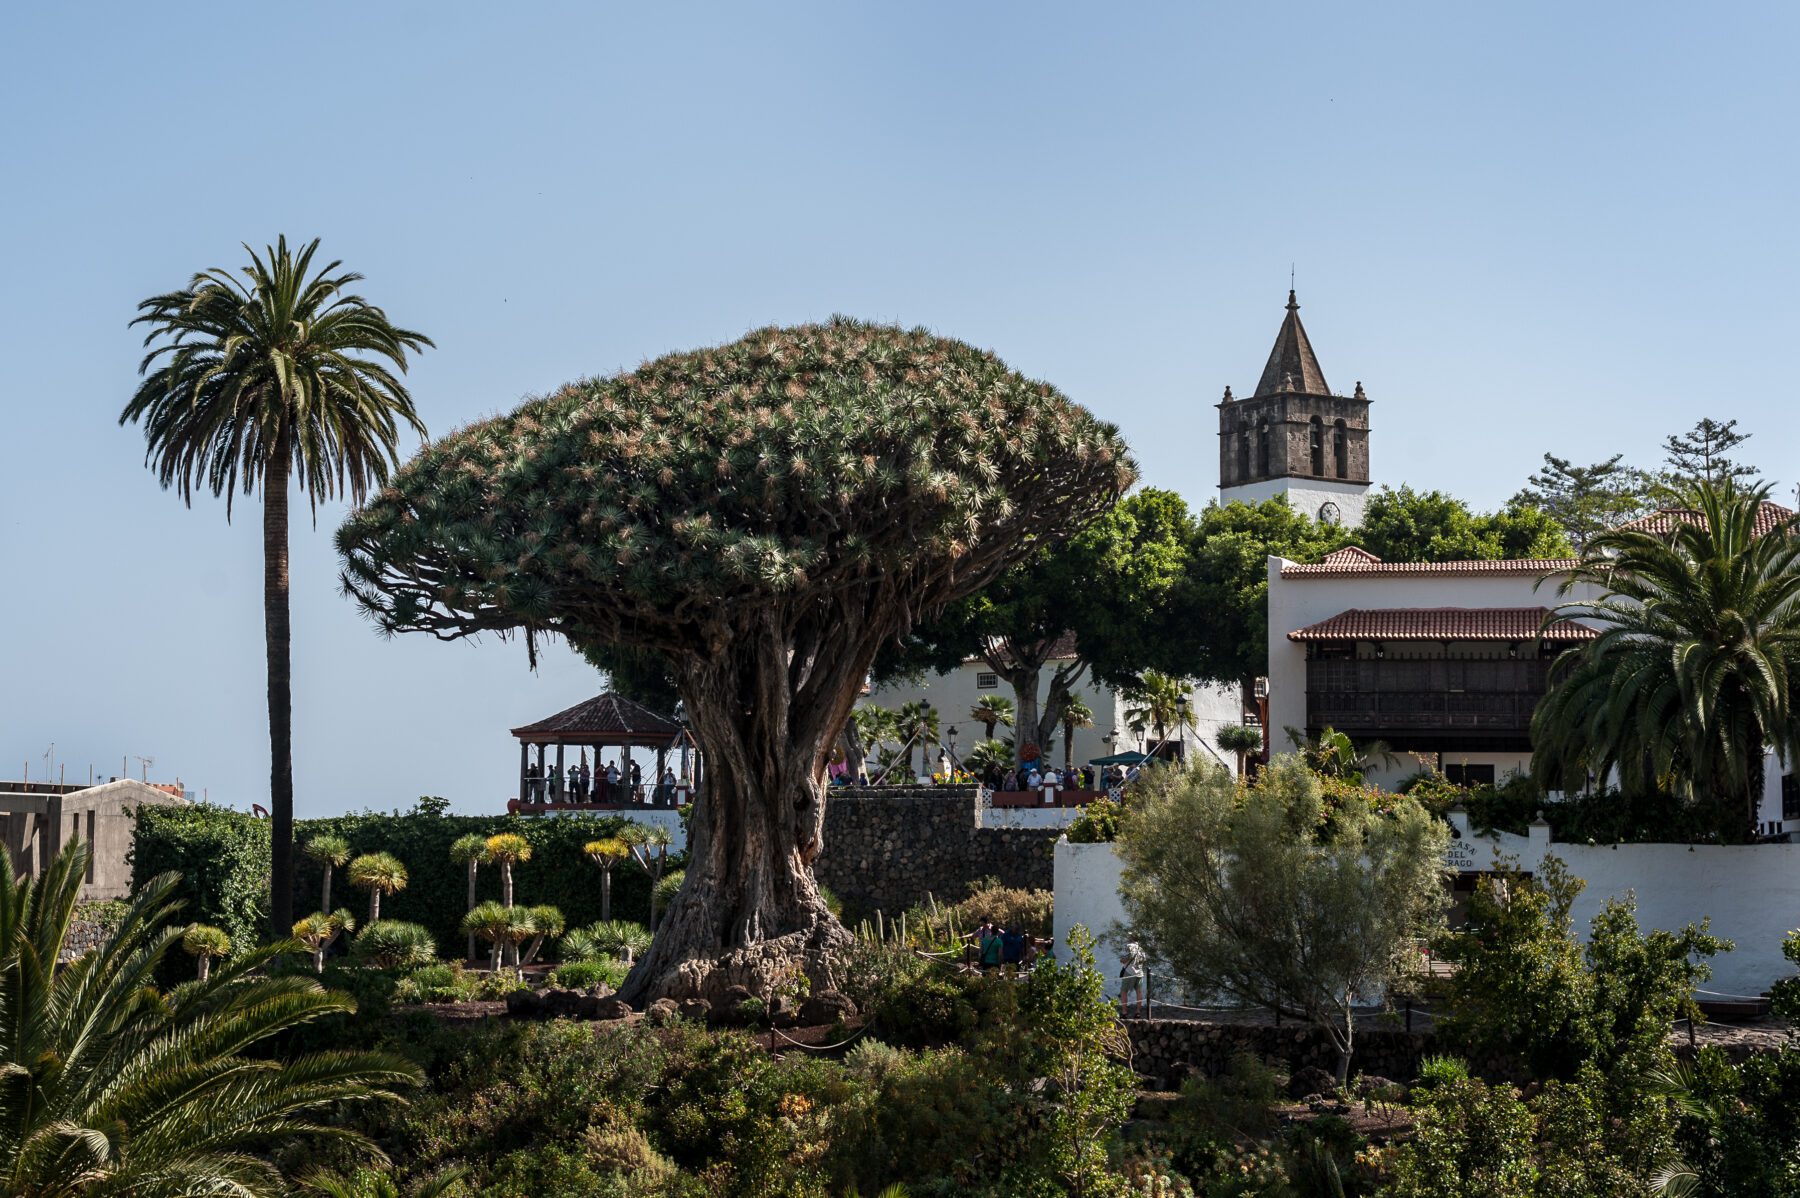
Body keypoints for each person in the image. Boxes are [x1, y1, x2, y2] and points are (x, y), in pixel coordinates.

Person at [1118, 940, 1147, 1017]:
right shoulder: (1141, 949)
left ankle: (1124, 1012)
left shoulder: (1129, 947)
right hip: (1139, 973)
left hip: (1129, 973)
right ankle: (1138, 1012)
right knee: (1139, 992)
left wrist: (1122, 960)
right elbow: (1144, 960)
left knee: (1123, 991)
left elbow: (1124, 960)